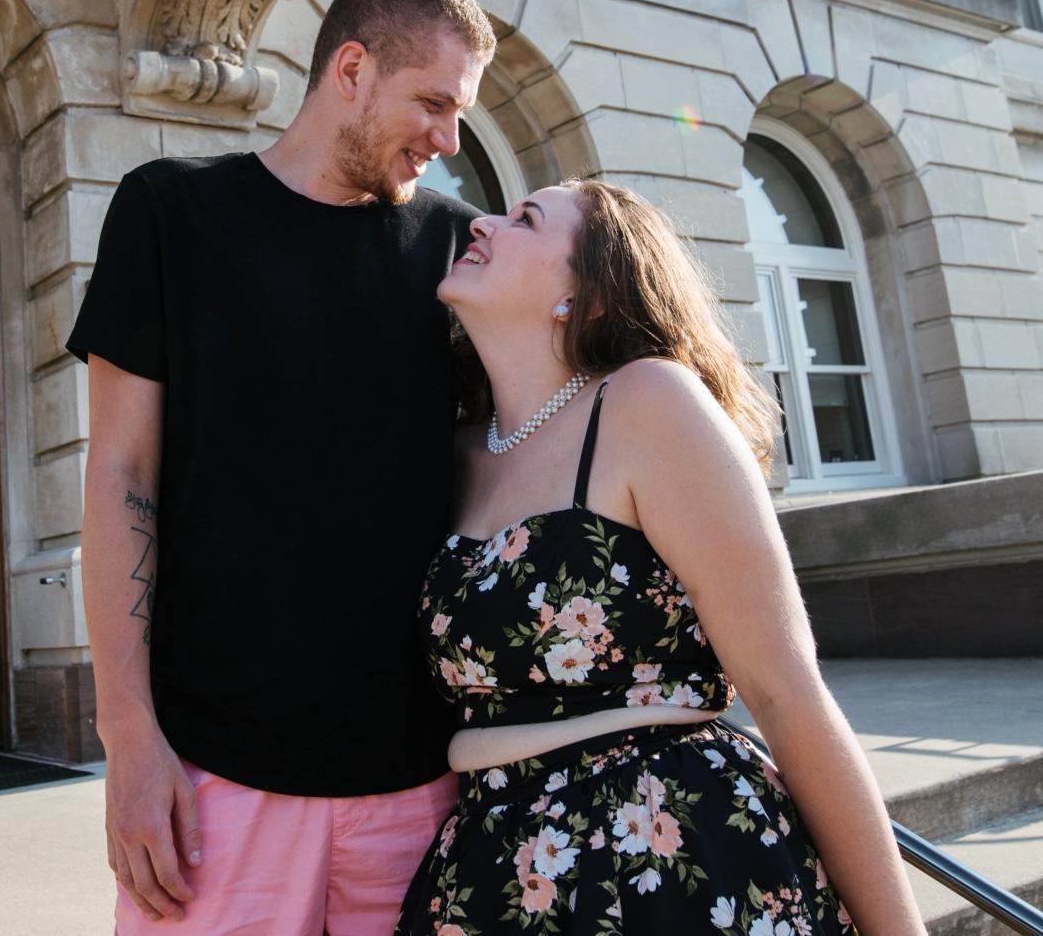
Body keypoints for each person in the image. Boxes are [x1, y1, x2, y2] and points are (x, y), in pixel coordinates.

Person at [66, 0, 497, 933]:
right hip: (214, 789)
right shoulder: (170, 211)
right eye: (433, 103)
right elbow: (119, 475)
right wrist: (127, 737)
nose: (448, 139)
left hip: (421, 792)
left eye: (460, 112)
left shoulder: (461, 253)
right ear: (351, 69)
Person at [396, 179, 927, 935]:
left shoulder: (648, 402)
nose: (481, 224)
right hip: (491, 864)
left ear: (588, 295)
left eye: (526, 220)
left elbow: (784, 691)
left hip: (667, 847)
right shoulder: (456, 449)